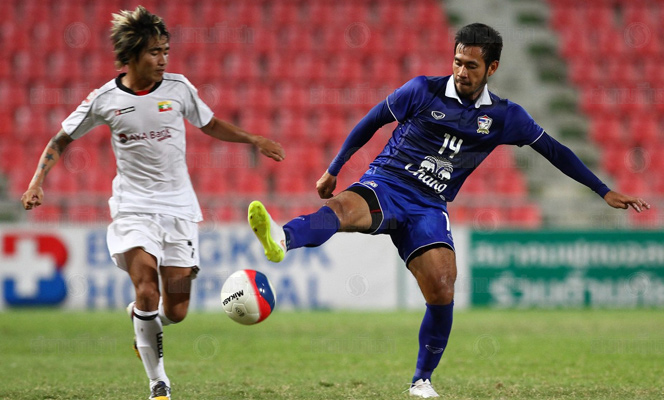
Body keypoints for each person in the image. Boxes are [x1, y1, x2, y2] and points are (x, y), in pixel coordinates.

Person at [247, 23, 650, 398]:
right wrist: (333, 170)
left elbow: (555, 151)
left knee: (442, 286)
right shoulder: (422, 90)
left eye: (471, 65)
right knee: (342, 209)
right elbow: (370, 122)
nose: (461, 71)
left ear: (492, 67)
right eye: (457, 61)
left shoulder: (505, 117)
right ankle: (282, 238)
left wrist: (603, 190)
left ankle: (422, 380)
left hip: (428, 206)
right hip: (388, 184)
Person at [21, 6, 284, 400]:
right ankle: (158, 383)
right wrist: (37, 180)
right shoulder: (104, 99)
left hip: (179, 211)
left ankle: (142, 322)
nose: (163, 59)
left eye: (166, 50)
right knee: (147, 289)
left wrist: (253, 139)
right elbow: (61, 139)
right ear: (131, 55)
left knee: (175, 310)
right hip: (133, 209)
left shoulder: (178, 89)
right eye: (154, 52)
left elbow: (209, 123)